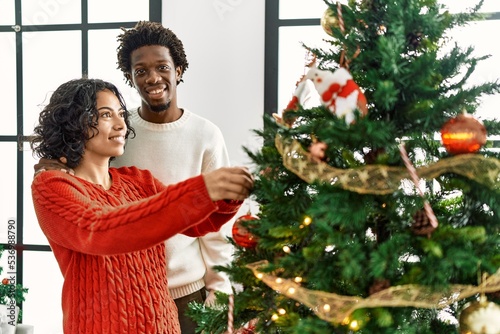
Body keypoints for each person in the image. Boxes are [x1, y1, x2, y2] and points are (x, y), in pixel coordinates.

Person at [30, 78, 254, 334]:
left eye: (121, 114)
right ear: (75, 123)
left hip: (166, 327)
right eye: (106, 115)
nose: (120, 124)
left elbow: (198, 223)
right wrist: (202, 190)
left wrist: (229, 194)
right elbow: (102, 230)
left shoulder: (138, 181)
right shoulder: (52, 186)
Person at [115, 21, 239, 332]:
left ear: (179, 70)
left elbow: (218, 223)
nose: (152, 78)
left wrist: (220, 292)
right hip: (128, 295)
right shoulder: (117, 133)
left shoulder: (206, 135)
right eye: (140, 70)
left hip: (189, 298)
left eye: (162, 67)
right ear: (130, 78)